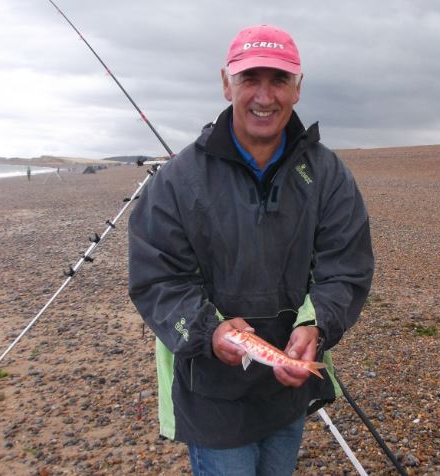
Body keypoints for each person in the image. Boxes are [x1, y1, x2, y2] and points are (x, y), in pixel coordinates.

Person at [128, 24, 374, 476]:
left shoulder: (328, 175)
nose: (265, 95)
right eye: (250, 79)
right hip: (211, 393)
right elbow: (156, 280)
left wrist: (316, 326)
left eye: (279, 79)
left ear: (298, 88)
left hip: (287, 388)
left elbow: (348, 267)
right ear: (227, 83)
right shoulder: (177, 181)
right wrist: (209, 332)